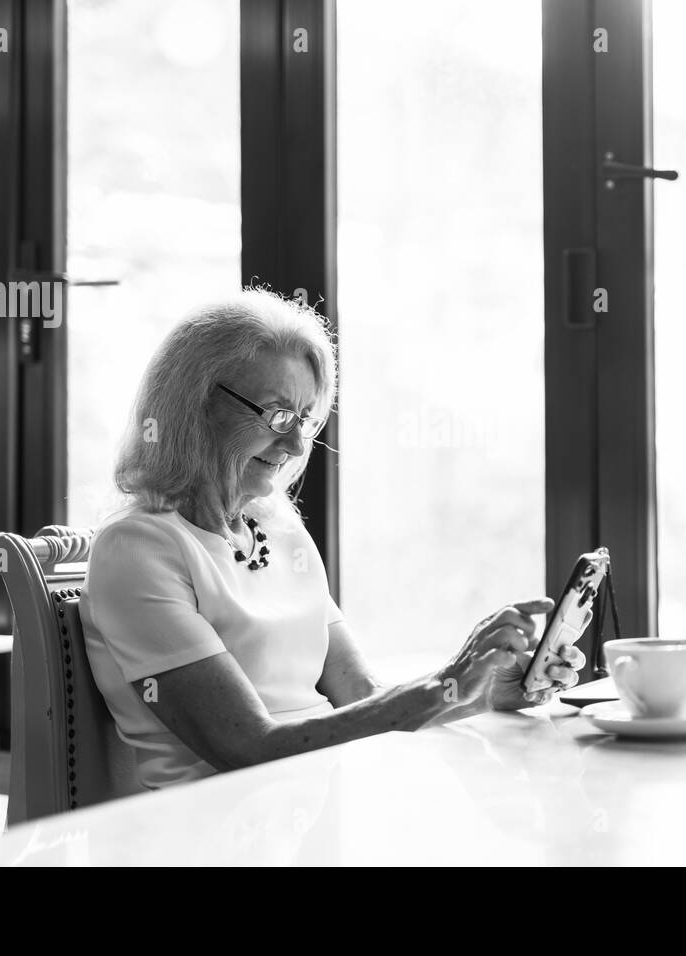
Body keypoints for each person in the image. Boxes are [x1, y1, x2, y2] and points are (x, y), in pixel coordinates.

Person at [82, 290, 584, 789]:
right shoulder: (138, 550)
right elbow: (250, 747)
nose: (297, 444)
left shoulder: (277, 526)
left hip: (322, 799)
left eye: (306, 419)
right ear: (194, 407)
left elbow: (362, 692)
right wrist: (443, 684)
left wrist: (482, 691)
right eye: (278, 414)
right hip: (221, 830)